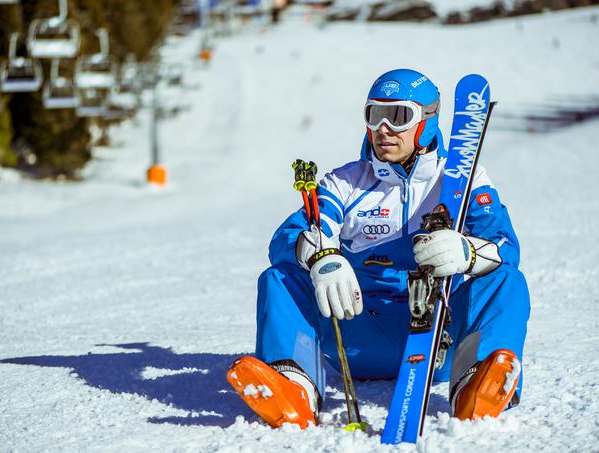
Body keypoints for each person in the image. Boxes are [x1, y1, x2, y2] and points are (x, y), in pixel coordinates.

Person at [226, 69, 531, 429]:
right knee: (280, 276)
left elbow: (506, 247)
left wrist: (469, 253)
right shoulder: (345, 182)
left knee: (506, 280)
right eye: (374, 114)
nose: (383, 128)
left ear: (427, 121)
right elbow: (287, 237)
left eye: (399, 116)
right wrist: (322, 256)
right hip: (358, 336)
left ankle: (476, 383)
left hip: (439, 340)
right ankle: (295, 387)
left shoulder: (462, 180)